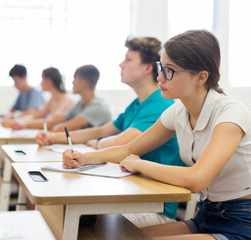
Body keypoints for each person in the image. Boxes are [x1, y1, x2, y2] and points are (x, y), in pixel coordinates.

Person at [64, 30, 251, 239]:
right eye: (162, 67)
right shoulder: (178, 111)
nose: (160, 77)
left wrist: (140, 164)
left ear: (201, 77)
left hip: (243, 225)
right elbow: (129, 149)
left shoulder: (231, 114)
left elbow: (197, 179)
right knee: (116, 236)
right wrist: (84, 158)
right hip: (204, 217)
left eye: (169, 70)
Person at [38, 37, 183, 226]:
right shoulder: (137, 104)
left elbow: (120, 144)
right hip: (131, 192)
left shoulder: (160, 104)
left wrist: (99, 142)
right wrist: (53, 138)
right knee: (63, 213)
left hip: (153, 204)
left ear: (147, 68)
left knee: (76, 219)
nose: (121, 64)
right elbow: (102, 129)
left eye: (128, 59)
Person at [34, 64, 111, 132]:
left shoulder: (98, 106)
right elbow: (59, 119)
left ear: (84, 83)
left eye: (75, 78)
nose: (72, 82)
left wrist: (55, 127)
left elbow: (66, 127)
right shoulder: (80, 103)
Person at [2, 67, 75, 130]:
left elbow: (51, 122)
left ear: (49, 82)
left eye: (42, 80)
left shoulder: (67, 100)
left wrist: (24, 123)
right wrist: (17, 121)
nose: (40, 84)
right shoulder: (53, 99)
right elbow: (37, 115)